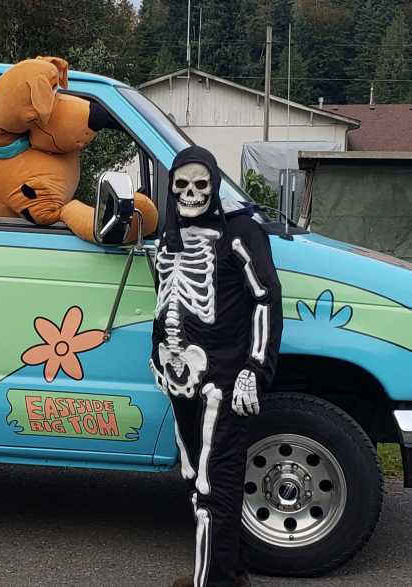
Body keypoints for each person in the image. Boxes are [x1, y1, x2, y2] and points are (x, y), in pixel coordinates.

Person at [150, 146, 283, 587]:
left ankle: (213, 583)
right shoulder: (169, 232)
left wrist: (255, 368)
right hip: (178, 376)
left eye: (200, 185)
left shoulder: (240, 231)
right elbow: (164, 303)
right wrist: (157, 353)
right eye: (182, 185)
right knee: (196, 480)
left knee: (214, 487)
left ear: (215, 184)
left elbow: (266, 298)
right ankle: (229, 573)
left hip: (223, 380)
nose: (191, 194)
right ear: (172, 187)